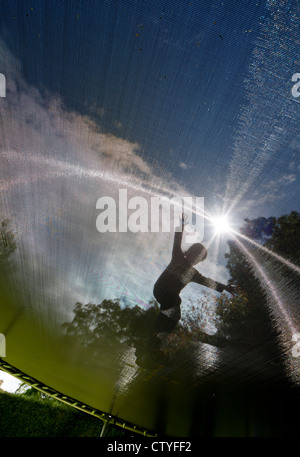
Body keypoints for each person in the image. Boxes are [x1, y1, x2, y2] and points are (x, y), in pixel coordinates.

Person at [151, 213, 237, 351]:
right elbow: (177, 239)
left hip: (167, 298)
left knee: (175, 315)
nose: (195, 259)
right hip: (161, 289)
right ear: (188, 252)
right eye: (194, 255)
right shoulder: (178, 257)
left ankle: (157, 340)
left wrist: (225, 287)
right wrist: (182, 225)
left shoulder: (193, 274)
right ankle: (156, 335)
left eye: (198, 259)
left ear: (198, 262)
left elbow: (208, 282)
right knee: (175, 301)